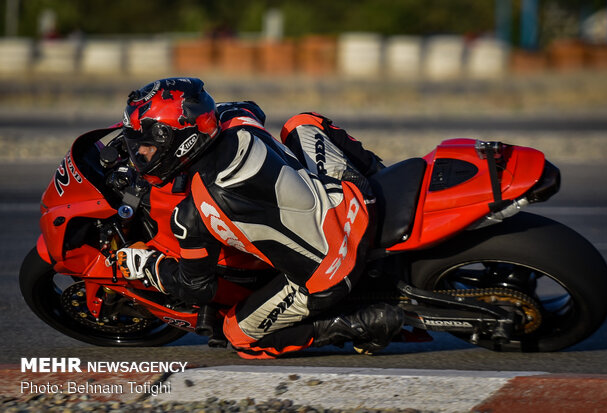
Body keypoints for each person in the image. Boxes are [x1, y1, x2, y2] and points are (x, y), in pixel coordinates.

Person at [116, 77, 403, 359]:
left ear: (179, 143)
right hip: (352, 202)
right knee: (302, 122)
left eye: (147, 147)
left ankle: (359, 323)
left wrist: (150, 266)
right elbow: (250, 108)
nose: (140, 155)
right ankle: (382, 177)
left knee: (237, 333)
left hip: (334, 265)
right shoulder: (235, 117)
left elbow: (196, 290)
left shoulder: (192, 215)